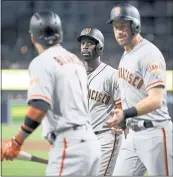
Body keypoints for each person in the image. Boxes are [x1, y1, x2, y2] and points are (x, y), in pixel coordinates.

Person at [1, 10, 101, 176]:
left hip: (70, 146)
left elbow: (39, 107)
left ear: (33, 37)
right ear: (60, 34)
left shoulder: (42, 62)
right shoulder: (75, 61)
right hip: (90, 143)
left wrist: (16, 142)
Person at [106, 3, 173, 176]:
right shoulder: (126, 55)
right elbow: (131, 96)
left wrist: (125, 113)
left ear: (135, 26)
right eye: (116, 28)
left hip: (155, 134)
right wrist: (121, 116)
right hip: (132, 136)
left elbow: (156, 99)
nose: (119, 32)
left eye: (123, 27)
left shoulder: (149, 54)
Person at [76, 28, 122, 176]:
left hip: (106, 137)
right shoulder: (76, 75)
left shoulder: (112, 75)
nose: (85, 46)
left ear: (99, 47)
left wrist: (121, 121)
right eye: (83, 43)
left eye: (90, 43)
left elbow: (123, 106)